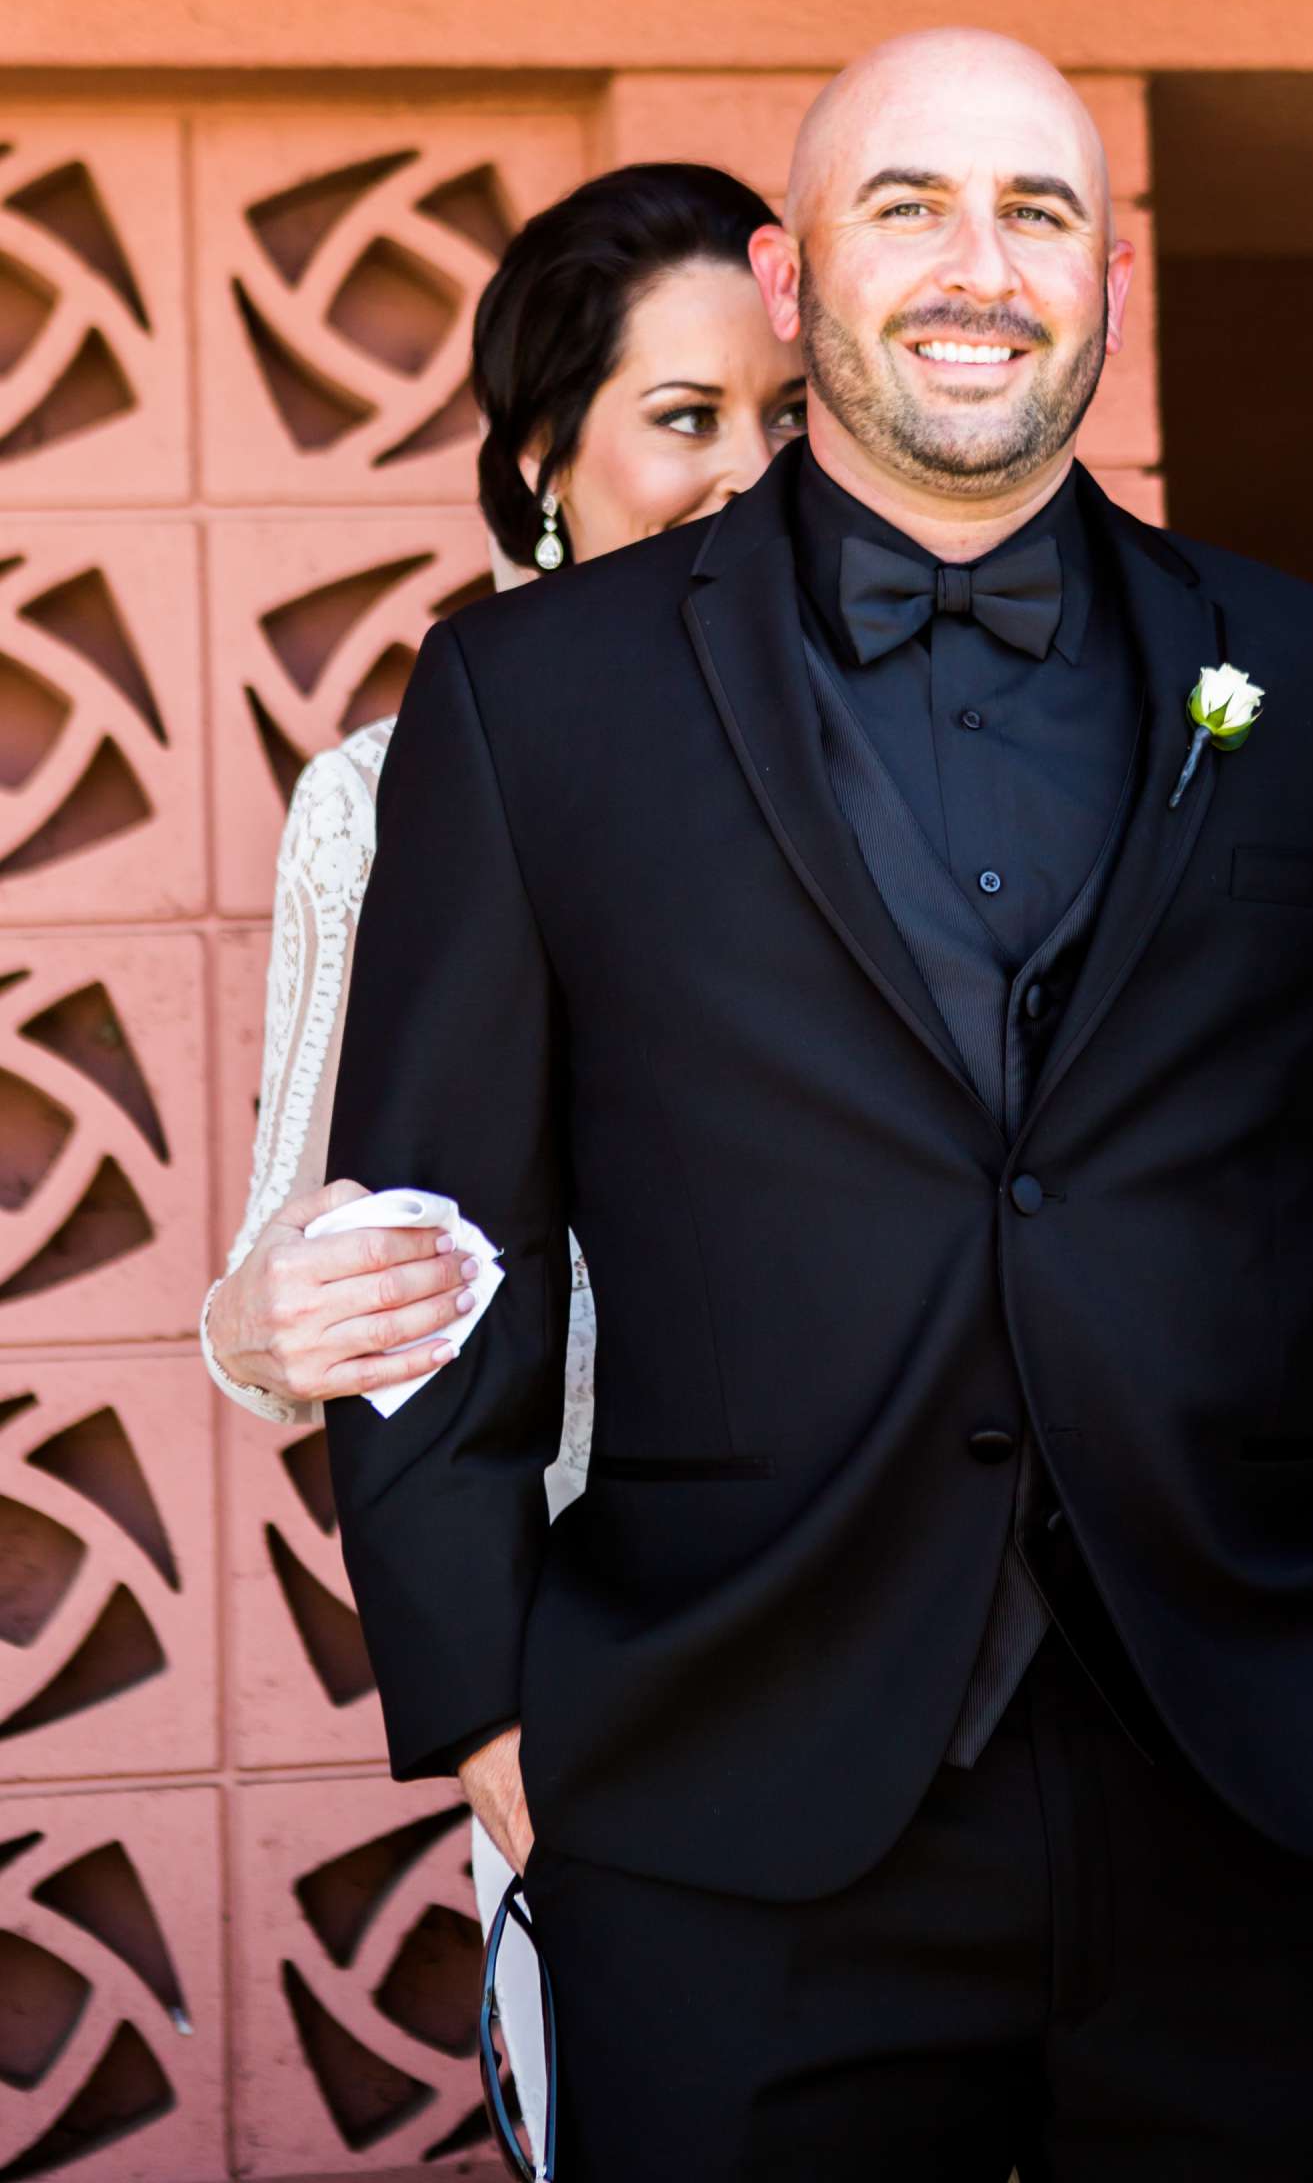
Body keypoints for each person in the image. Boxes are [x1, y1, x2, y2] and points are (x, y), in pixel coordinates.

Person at [320, 31, 1313, 2181]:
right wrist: (496, 1728)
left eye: (1040, 214)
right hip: (729, 1810)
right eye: (906, 206)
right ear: (791, 284)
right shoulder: (533, 703)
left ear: (1109, 286)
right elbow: (447, 1247)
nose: (976, 266)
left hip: (1279, 1797)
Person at [196, 159, 805, 2145]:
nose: (747, 472)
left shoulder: (917, 755)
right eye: (685, 419)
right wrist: (278, 1318)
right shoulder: (387, 797)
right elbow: (275, 1278)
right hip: (610, 1670)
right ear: (546, 452)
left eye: (787, 421)